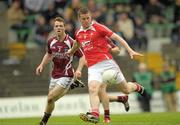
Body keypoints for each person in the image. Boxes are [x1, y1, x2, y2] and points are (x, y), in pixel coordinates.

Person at [66, 8, 147, 124]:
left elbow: (117, 38)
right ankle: (95, 114)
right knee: (93, 88)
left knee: (126, 89)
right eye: (83, 19)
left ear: (91, 17)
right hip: (93, 67)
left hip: (108, 64)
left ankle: (136, 87)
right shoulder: (78, 32)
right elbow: (77, 43)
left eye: (88, 18)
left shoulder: (98, 27)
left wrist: (129, 50)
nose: (86, 21)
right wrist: (71, 51)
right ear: (79, 19)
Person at [36, 17, 85, 125]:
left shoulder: (71, 42)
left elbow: (82, 57)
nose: (58, 28)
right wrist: (41, 65)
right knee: (50, 100)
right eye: (56, 26)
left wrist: (79, 70)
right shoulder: (50, 41)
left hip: (66, 74)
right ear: (54, 28)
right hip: (55, 75)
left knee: (50, 97)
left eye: (61, 26)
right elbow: (48, 55)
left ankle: (43, 121)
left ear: (64, 27)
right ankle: (45, 121)